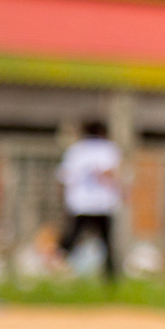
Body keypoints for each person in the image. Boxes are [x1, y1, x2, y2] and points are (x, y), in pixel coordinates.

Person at [56, 119, 121, 282]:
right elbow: (109, 174)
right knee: (107, 244)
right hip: (102, 204)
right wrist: (122, 191)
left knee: (69, 241)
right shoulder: (108, 149)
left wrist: (65, 200)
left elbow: (64, 178)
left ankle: (56, 271)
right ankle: (110, 278)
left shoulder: (76, 150)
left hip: (80, 203)